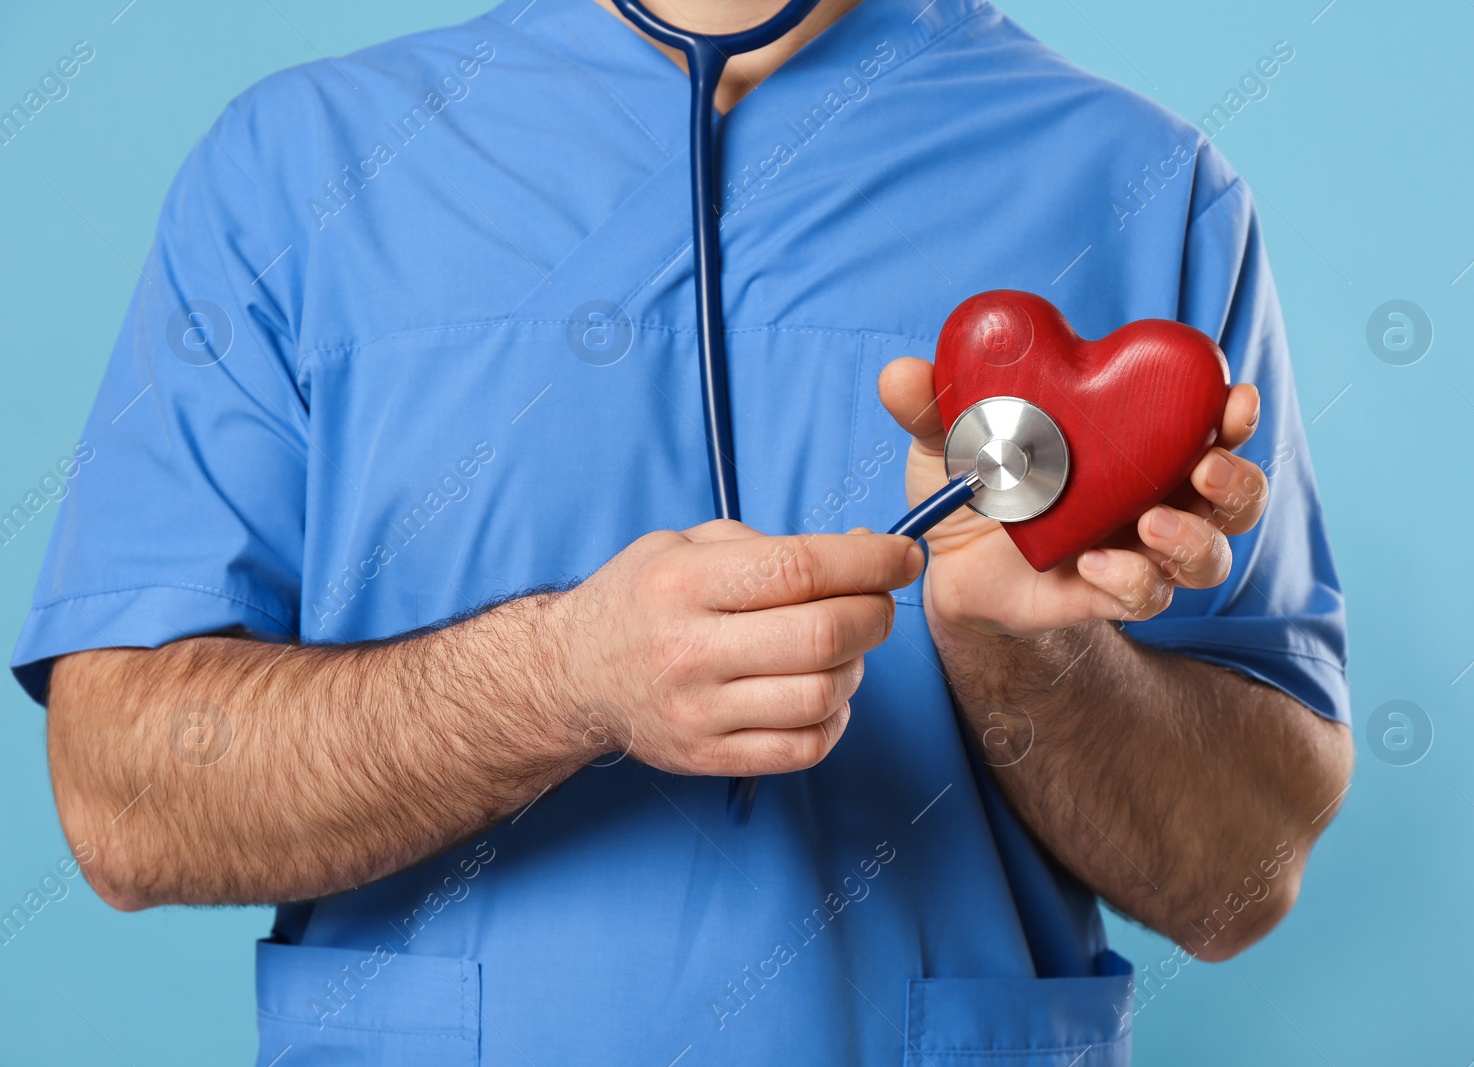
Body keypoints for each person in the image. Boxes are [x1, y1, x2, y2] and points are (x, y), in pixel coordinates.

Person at [13, 0, 1354, 1063]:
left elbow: (1239, 876)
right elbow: (123, 800)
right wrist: (561, 681)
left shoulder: (1141, 186)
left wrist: (1028, 661)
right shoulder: (291, 173)